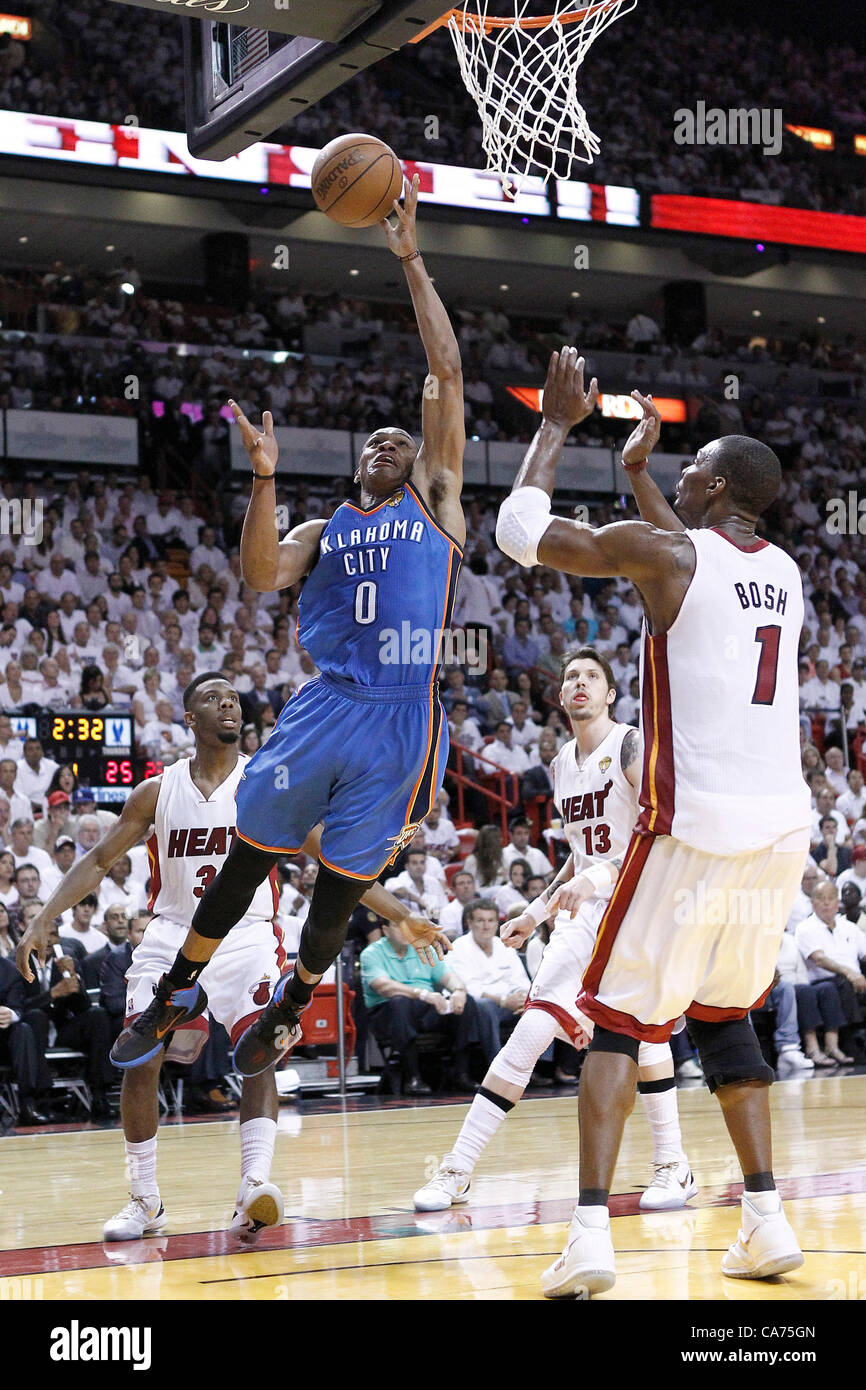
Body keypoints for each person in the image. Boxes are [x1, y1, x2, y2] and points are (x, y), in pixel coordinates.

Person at [106, 175, 462, 1079]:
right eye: (376, 443)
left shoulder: (439, 507)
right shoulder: (322, 527)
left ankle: (290, 1007)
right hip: (328, 703)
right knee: (250, 850)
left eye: (403, 444)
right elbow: (260, 574)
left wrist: (411, 261)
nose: (389, 447)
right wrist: (262, 479)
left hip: (403, 714)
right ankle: (171, 993)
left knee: (339, 893)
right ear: (357, 464)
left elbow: (445, 375)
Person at [496, 348, 811, 1295]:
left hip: (692, 829)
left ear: (713, 484)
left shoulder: (666, 552)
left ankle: (590, 1236)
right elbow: (695, 573)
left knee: (615, 1022)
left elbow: (520, 533)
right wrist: (634, 472)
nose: (680, 468)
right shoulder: (786, 570)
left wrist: (555, 424)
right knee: (724, 1019)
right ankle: (766, 1221)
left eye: (691, 464)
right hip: (780, 838)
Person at [17, 674, 447, 1240]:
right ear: (189, 719)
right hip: (172, 932)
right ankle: (144, 1200)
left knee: (259, 1049)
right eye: (212, 698)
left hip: (246, 935)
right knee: (138, 1058)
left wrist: (398, 913)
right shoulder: (156, 790)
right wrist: (44, 916)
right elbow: (99, 860)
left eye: (234, 698)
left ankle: (253, 1188)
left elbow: (336, 861)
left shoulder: (269, 784)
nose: (228, 703)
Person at [415, 648, 694, 1216]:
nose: (581, 684)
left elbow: (663, 831)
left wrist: (597, 878)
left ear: (611, 694)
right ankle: (457, 1169)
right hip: (583, 917)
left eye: (593, 676)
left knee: (646, 1039)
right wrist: (535, 914)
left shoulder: (631, 746)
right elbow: (579, 855)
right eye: (571, 677)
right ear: (561, 696)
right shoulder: (563, 762)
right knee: (532, 1030)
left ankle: (674, 1163)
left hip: (640, 908)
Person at [361, 920, 482, 1095]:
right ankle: (413, 1078)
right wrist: (423, 994)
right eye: (399, 927)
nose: (405, 932)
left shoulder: (423, 948)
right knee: (399, 1002)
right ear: (386, 930)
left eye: (409, 928)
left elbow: (448, 977)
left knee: (467, 1002)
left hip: (425, 1007)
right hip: (387, 1012)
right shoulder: (371, 953)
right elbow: (384, 987)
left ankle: (461, 1074)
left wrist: (459, 990)